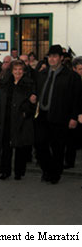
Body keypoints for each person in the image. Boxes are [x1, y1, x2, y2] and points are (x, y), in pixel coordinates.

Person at [35, 45, 79, 184]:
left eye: (55, 56)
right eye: (50, 56)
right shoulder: (42, 74)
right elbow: (36, 90)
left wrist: (74, 117)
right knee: (40, 144)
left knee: (57, 147)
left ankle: (55, 174)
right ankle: (47, 169)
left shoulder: (71, 76)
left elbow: (77, 98)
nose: (52, 59)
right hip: (42, 115)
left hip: (60, 116)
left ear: (61, 58)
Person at [0, 60, 36, 180]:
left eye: (20, 70)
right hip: (6, 118)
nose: (18, 72)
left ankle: (19, 172)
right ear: (11, 71)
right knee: (5, 147)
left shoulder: (29, 84)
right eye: (15, 69)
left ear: (23, 71)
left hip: (20, 120)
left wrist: (26, 111)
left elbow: (33, 102)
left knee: (20, 147)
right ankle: (5, 171)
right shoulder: (5, 83)